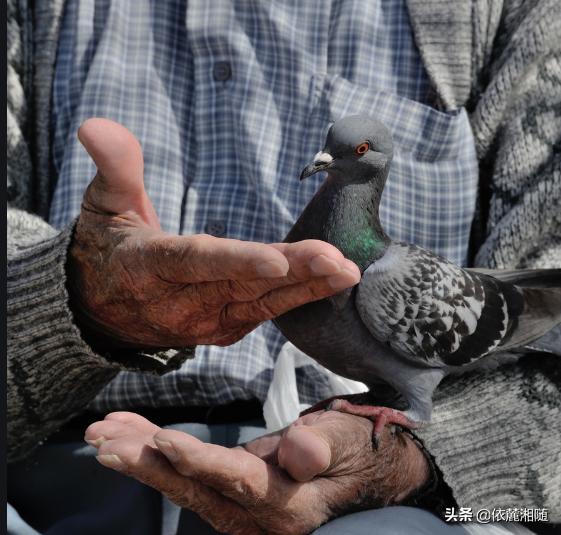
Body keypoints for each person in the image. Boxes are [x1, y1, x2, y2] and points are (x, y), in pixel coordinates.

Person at [7, 0, 560, 534]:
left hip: (408, 496)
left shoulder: (510, 12)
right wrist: (76, 302)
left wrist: (418, 465)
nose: (324, 161)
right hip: (65, 467)